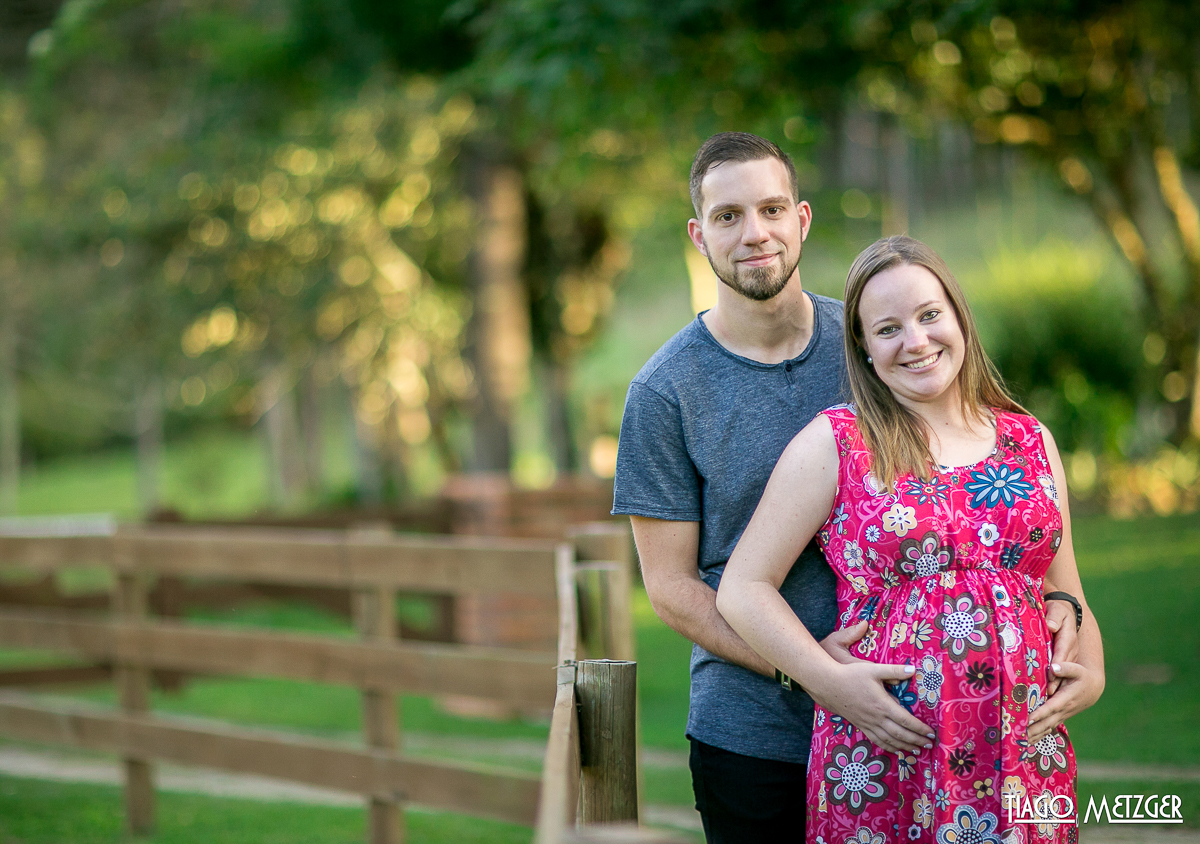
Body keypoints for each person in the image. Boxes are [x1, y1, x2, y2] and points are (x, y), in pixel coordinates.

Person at [612, 135, 1080, 842]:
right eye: (728, 216)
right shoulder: (664, 393)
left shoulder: (877, 338)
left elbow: (987, 486)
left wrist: (1066, 611)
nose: (754, 233)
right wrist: (812, 671)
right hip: (755, 730)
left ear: (801, 219)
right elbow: (672, 588)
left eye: (770, 208)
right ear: (698, 234)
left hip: (933, 725)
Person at [716, 236, 1105, 843]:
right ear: (865, 350)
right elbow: (742, 589)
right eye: (889, 328)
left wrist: (1094, 667)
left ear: (958, 318)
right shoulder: (836, 443)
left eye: (929, 316)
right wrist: (827, 680)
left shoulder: (1030, 440)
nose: (917, 341)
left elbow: (1064, 588)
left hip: (1021, 758)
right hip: (890, 759)